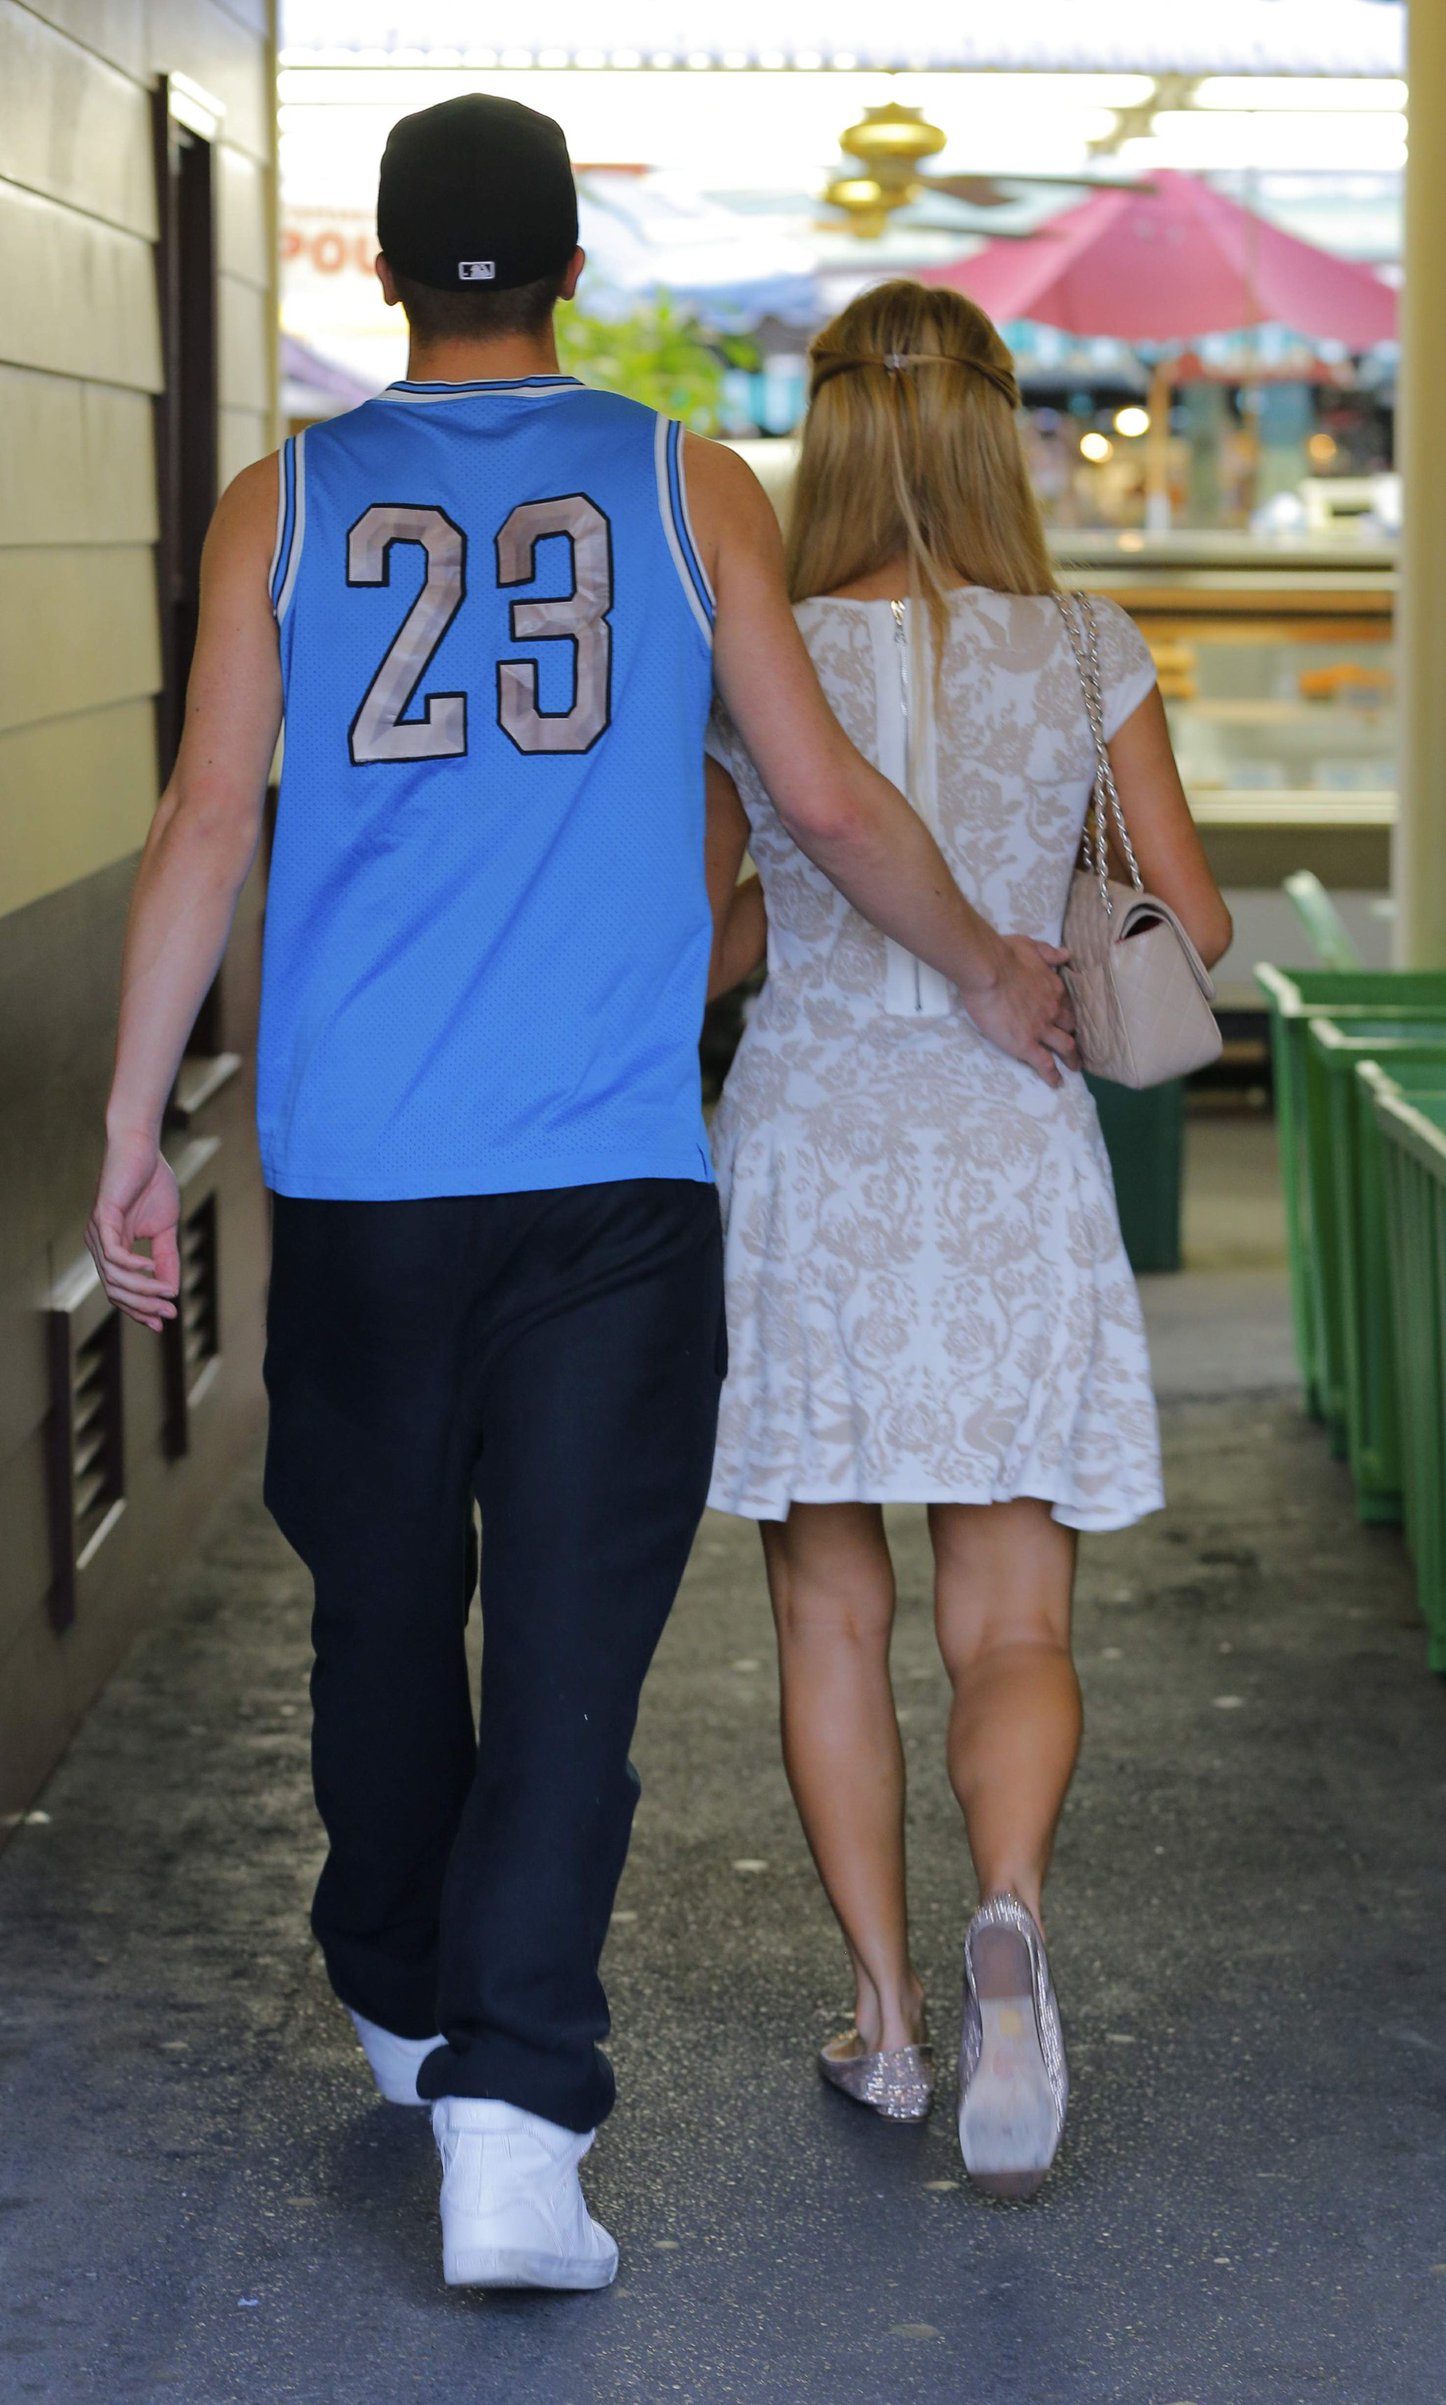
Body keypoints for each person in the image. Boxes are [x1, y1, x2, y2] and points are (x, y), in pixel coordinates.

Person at [85, 107, 1078, 2291]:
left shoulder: (278, 503)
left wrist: (132, 1128)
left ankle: (406, 1991)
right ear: (565, 269)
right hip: (610, 1180)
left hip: (358, 1173)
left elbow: (202, 827)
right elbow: (824, 803)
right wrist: (989, 967)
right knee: (564, 1650)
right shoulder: (685, 484)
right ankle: (516, 2123)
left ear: (384, 278)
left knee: (375, 1608)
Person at [704, 280, 1232, 2200]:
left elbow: (709, 940)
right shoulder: (1087, 647)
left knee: (827, 1607)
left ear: (830, 429)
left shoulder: (751, 652)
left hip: (813, 1148)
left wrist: (798, 912)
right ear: (1000, 426)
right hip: (1011, 1138)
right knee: (1011, 1616)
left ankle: (885, 2014)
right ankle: (1006, 1909)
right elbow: (1192, 924)